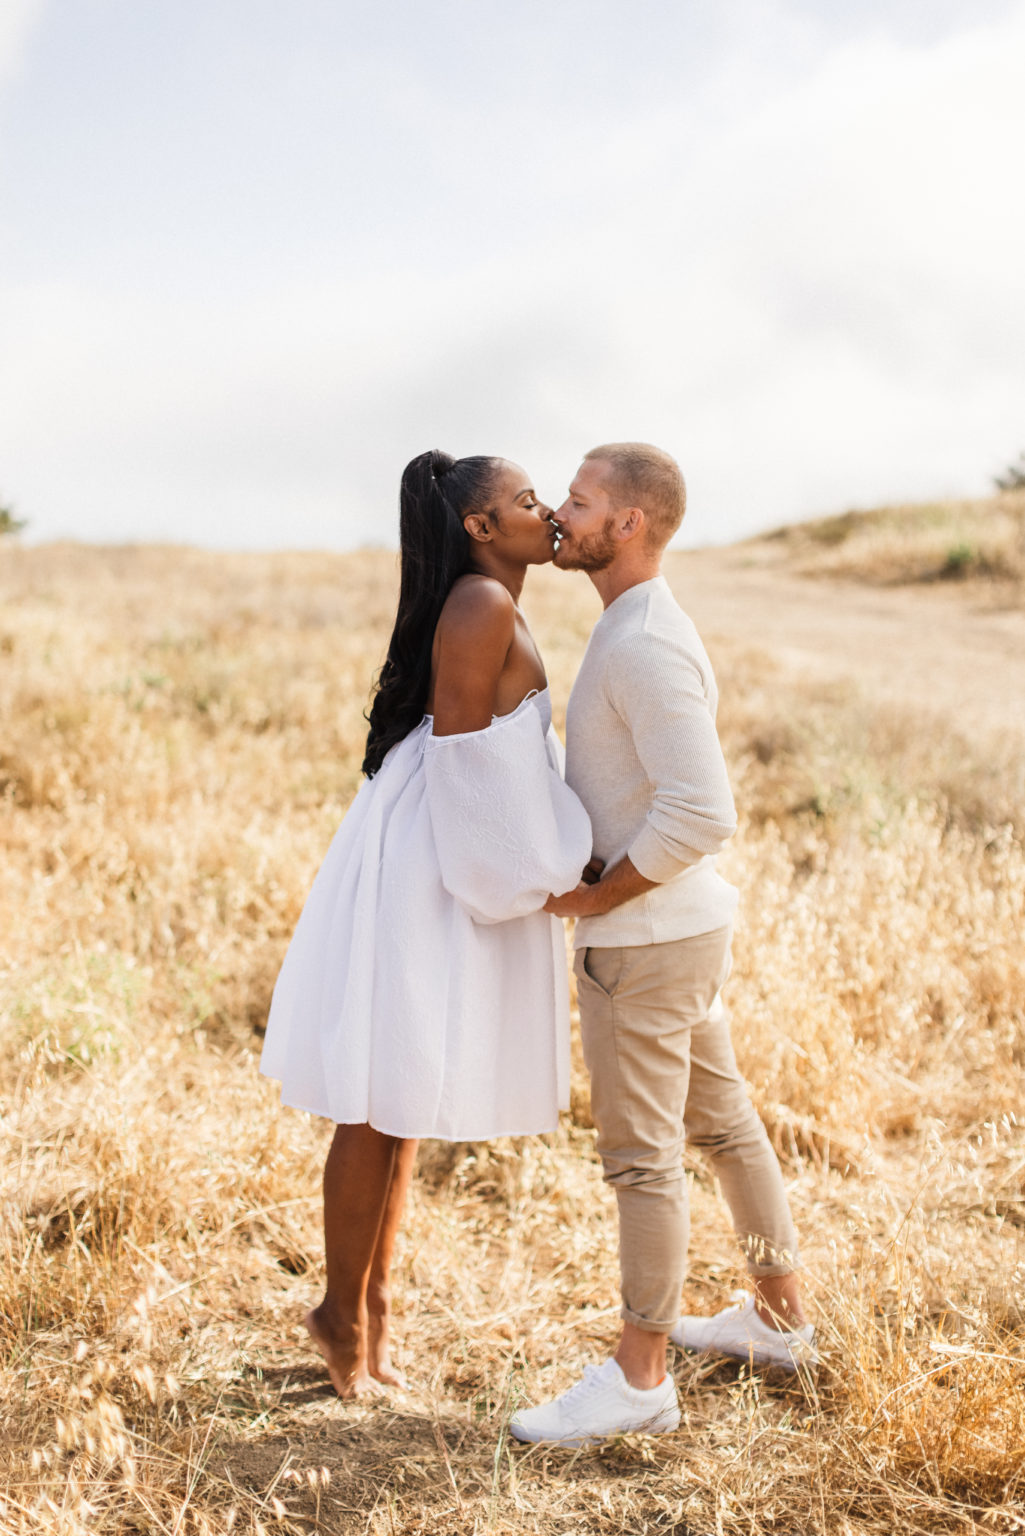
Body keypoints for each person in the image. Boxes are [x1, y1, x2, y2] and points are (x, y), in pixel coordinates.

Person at [261, 450, 592, 1399]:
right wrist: (540, 873)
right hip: (433, 864)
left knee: (399, 1101)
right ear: (481, 528)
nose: (548, 514)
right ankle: (341, 1315)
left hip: (440, 852)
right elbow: (466, 768)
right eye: (528, 502)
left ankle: (367, 1323)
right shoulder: (482, 605)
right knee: (377, 1101)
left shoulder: (494, 601)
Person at [509, 443, 813, 1447]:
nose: (560, 509)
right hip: (676, 939)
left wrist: (600, 893)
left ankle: (638, 1380)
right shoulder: (631, 625)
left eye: (581, 500)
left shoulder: (639, 642)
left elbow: (701, 810)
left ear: (625, 524)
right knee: (723, 1130)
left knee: (642, 1163)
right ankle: (778, 1322)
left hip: (646, 944)